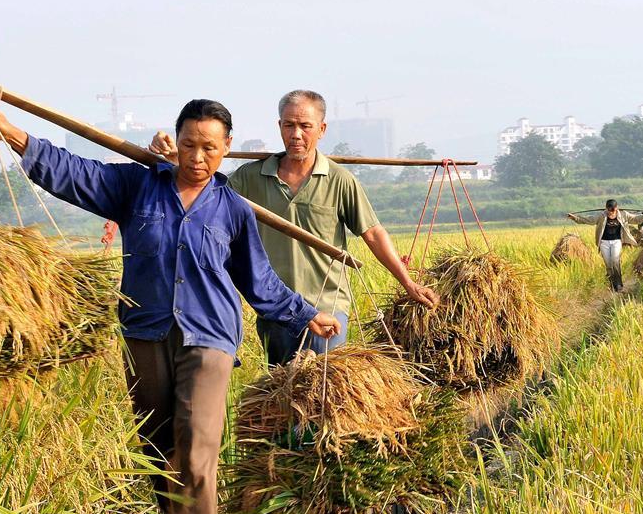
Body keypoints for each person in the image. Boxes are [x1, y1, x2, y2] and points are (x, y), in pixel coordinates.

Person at [0, 98, 341, 514]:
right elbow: (76, 173)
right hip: (145, 331)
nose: (198, 157)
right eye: (189, 145)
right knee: (158, 444)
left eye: (210, 147)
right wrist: (11, 134)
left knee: (198, 436)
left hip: (210, 334)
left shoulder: (232, 210)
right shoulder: (138, 187)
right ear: (176, 141)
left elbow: (259, 280)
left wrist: (306, 314)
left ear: (227, 147)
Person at [149, 90, 439, 366]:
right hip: (277, 309)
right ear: (279, 127)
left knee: (324, 390)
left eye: (305, 126)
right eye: (289, 125)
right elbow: (204, 199)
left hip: (327, 306)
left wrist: (408, 283)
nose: (296, 134)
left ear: (321, 129)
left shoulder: (339, 180)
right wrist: (178, 161)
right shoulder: (250, 178)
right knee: (281, 391)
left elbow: (373, 233)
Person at [568, 200, 643, 292]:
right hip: (604, 242)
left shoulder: (623, 214)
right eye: (609, 210)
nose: (611, 212)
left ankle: (619, 284)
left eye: (613, 210)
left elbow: (635, 218)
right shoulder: (601, 216)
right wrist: (575, 218)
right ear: (606, 208)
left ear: (616, 208)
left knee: (615, 260)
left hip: (617, 241)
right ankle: (612, 284)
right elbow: (588, 220)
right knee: (608, 264)